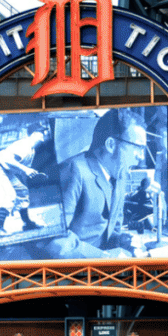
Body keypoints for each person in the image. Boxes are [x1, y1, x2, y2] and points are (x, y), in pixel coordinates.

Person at [47, 109, 148, 259]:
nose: (141, 157)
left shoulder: (119, 176)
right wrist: (104, 257)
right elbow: (54, 239)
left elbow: (111, 232)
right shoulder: (73, 170)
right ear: (111, 145)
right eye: (138, 148)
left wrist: (123, 240)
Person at [0, 127, 48, 238]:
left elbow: (21, 171)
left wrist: (31, 173)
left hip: (6, 171)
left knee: (22, 192)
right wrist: (26, 170)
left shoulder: (32, 150)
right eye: (40, 131)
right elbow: (8, 159)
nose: (43, 134)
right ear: (33, 133)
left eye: (44, 132)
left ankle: (27, 223)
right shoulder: (25, 144)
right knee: (8, 196)